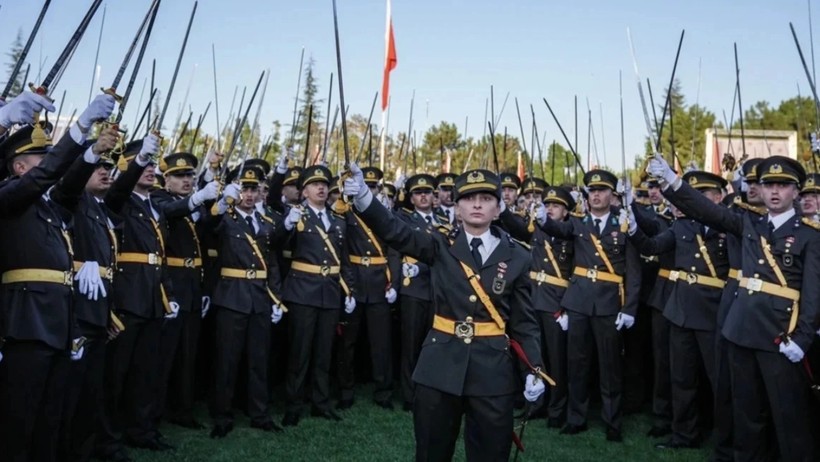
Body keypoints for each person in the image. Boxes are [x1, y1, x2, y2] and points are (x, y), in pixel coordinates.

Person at [344, 163, 546, 461]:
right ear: (457, 207)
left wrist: (534, 368)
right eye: (468, 198)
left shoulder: (518, 255)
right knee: (431, 452)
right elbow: (396, 232)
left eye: (486, 198)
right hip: (439, 365)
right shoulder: (439, 243)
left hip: (492, 369)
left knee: (491, 453)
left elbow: (524, 322)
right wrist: (363, 196)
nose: (477, 204)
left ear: (499, 206)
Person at [649, 153, 820, 461]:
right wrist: (672, 182)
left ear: (796, 191)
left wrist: (803, 337)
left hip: (781, 336)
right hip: (741, 332)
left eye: (783, 185)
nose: (774, 192)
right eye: (768, 185)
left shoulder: (810, 235)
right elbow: (707, 211)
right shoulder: (749, 223)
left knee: (788, 415)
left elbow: (813, 294)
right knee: (746, 413)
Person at [0, 92, 114, 462]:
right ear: (19, 167)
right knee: (20, 421)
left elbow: (66, 183)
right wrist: (79, 128)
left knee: (49, 419)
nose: (50, 166)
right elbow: (49, 176)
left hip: (58, 322)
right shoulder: (10, 196)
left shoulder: (48, 206)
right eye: (41, 159)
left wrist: (92, 152)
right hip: (25, 323)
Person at [626, 171, 730, 450]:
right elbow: (652, 246)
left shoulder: (729, 227)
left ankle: (725, 439)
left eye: (702, 196)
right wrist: (633, 229)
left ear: (718, 198)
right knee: (681, 377)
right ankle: (684, 434)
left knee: (720, 381)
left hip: (713, 311)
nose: (694, 202)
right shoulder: (682, 226)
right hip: (680, 309)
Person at [535, 169, 641, 442]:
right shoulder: (578, 223)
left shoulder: (624, 223)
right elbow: (557, 228)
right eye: (591, 191)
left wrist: (629, 309)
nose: (596, 195)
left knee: (610, 368)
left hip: (608, 304)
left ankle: (612, 422)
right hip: (579, 302)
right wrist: (542, 219)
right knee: (577, 365)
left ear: (611, 195)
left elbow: (633, 271)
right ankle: (576, 418)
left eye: (602, 190)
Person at [96, 133, 179, 457]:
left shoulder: (155, 205)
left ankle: (141, 429)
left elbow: (160, 254)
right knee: (117, 374)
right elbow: (117, 189)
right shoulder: (118, 199)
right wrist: (138, 159)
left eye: (149, 165)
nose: (148, 170)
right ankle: (109, 437)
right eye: (139, 165)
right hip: (128, 298)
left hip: (152, 296)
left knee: (146, 372)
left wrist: (167, 293)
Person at [51, 126, 121, 462]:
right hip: (76, 307)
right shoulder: (73, 200)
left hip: (97, 307)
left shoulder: (98, 208)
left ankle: (88, 449)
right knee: (72, 390)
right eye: (97, 167)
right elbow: (65, 188)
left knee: (92, 388)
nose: (105, 171)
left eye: (108, 167)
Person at [204, 164, 285, 438]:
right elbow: (208, 223)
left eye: (253, 189)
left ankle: (259, 414)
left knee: (258, 360)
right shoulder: (225, 218)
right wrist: (222, 199)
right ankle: (222, 416)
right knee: (227, 360)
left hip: (259, 298)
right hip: (232, 296)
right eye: (244, 189)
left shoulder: (265, 223)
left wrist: (276, 298)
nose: (249, 195)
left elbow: (271, 263)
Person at [279, 165, 355, 426]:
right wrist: (287, 225)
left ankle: (320, 403)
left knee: (324, 352)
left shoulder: (337, 219)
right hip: (302, 291)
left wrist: (349, 289)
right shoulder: (296, 216)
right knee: (299, 353)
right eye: (314, 184)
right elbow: (276, 245)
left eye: (324, 184)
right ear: (304, 191)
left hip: (330, 292)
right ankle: (294, 405)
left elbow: (344, 259)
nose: (321, 188)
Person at [152, 153, 219, 430]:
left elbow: (207, 237)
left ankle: (183, 408)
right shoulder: (159, 199)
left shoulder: (195, 206)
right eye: (180, 176)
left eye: (190, 176)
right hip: (172, 285)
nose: (187, 180)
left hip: (192, 285)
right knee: (164, 356)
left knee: (187, 355)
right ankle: (155, 412)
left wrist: (219, 204)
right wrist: (199, 197)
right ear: (166, 180)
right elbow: (171, 212)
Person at [499, 185, 575, 428]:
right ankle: (535, 405)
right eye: (548, 204)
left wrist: (568, 306)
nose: (550, 209)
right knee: (534, 358)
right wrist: (502, 210)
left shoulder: (572, 233)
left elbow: (577, 272)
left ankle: (557, 409)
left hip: (556, 302)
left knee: (556, 360)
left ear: (566, 212)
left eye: (556, 206)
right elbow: (518, 229)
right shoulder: (537, 228)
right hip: (534, 298)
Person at [336, 167, 397, 410]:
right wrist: (347, 286)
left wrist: (394, 282)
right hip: (355, 280)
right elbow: (339, 248)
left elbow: (394, 248)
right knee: (347, 342)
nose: (369, 190)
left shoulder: (383, 214)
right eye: (366, 186)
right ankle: (345, 390)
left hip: (380, 283)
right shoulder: (345, 212)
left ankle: (383, 392)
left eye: (373, 187)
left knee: (381, 343)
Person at [394, 173, 443, 411]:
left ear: (434, 196)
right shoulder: (404, 218)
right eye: (418, 193)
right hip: (414, 288)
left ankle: (430, 392)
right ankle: (409, 395)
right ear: (411, 198)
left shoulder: (444, 219)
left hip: (438, 289)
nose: (423, 196)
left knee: (434, 346)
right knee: (411, 345)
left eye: (427, 192)